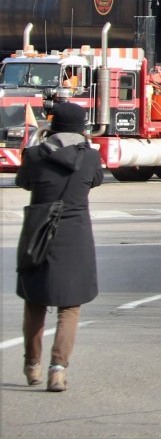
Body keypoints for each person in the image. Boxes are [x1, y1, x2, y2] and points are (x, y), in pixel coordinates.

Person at [15, 102, 103, 392]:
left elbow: (23, 182)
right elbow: (96, 181)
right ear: (81, 128)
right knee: (69, 307)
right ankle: (58, 371)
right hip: (75, 236)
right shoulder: (90, 158)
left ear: (52, 127)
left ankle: (32, 365)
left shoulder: (35, 155)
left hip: (39, 233)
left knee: (35, 302)